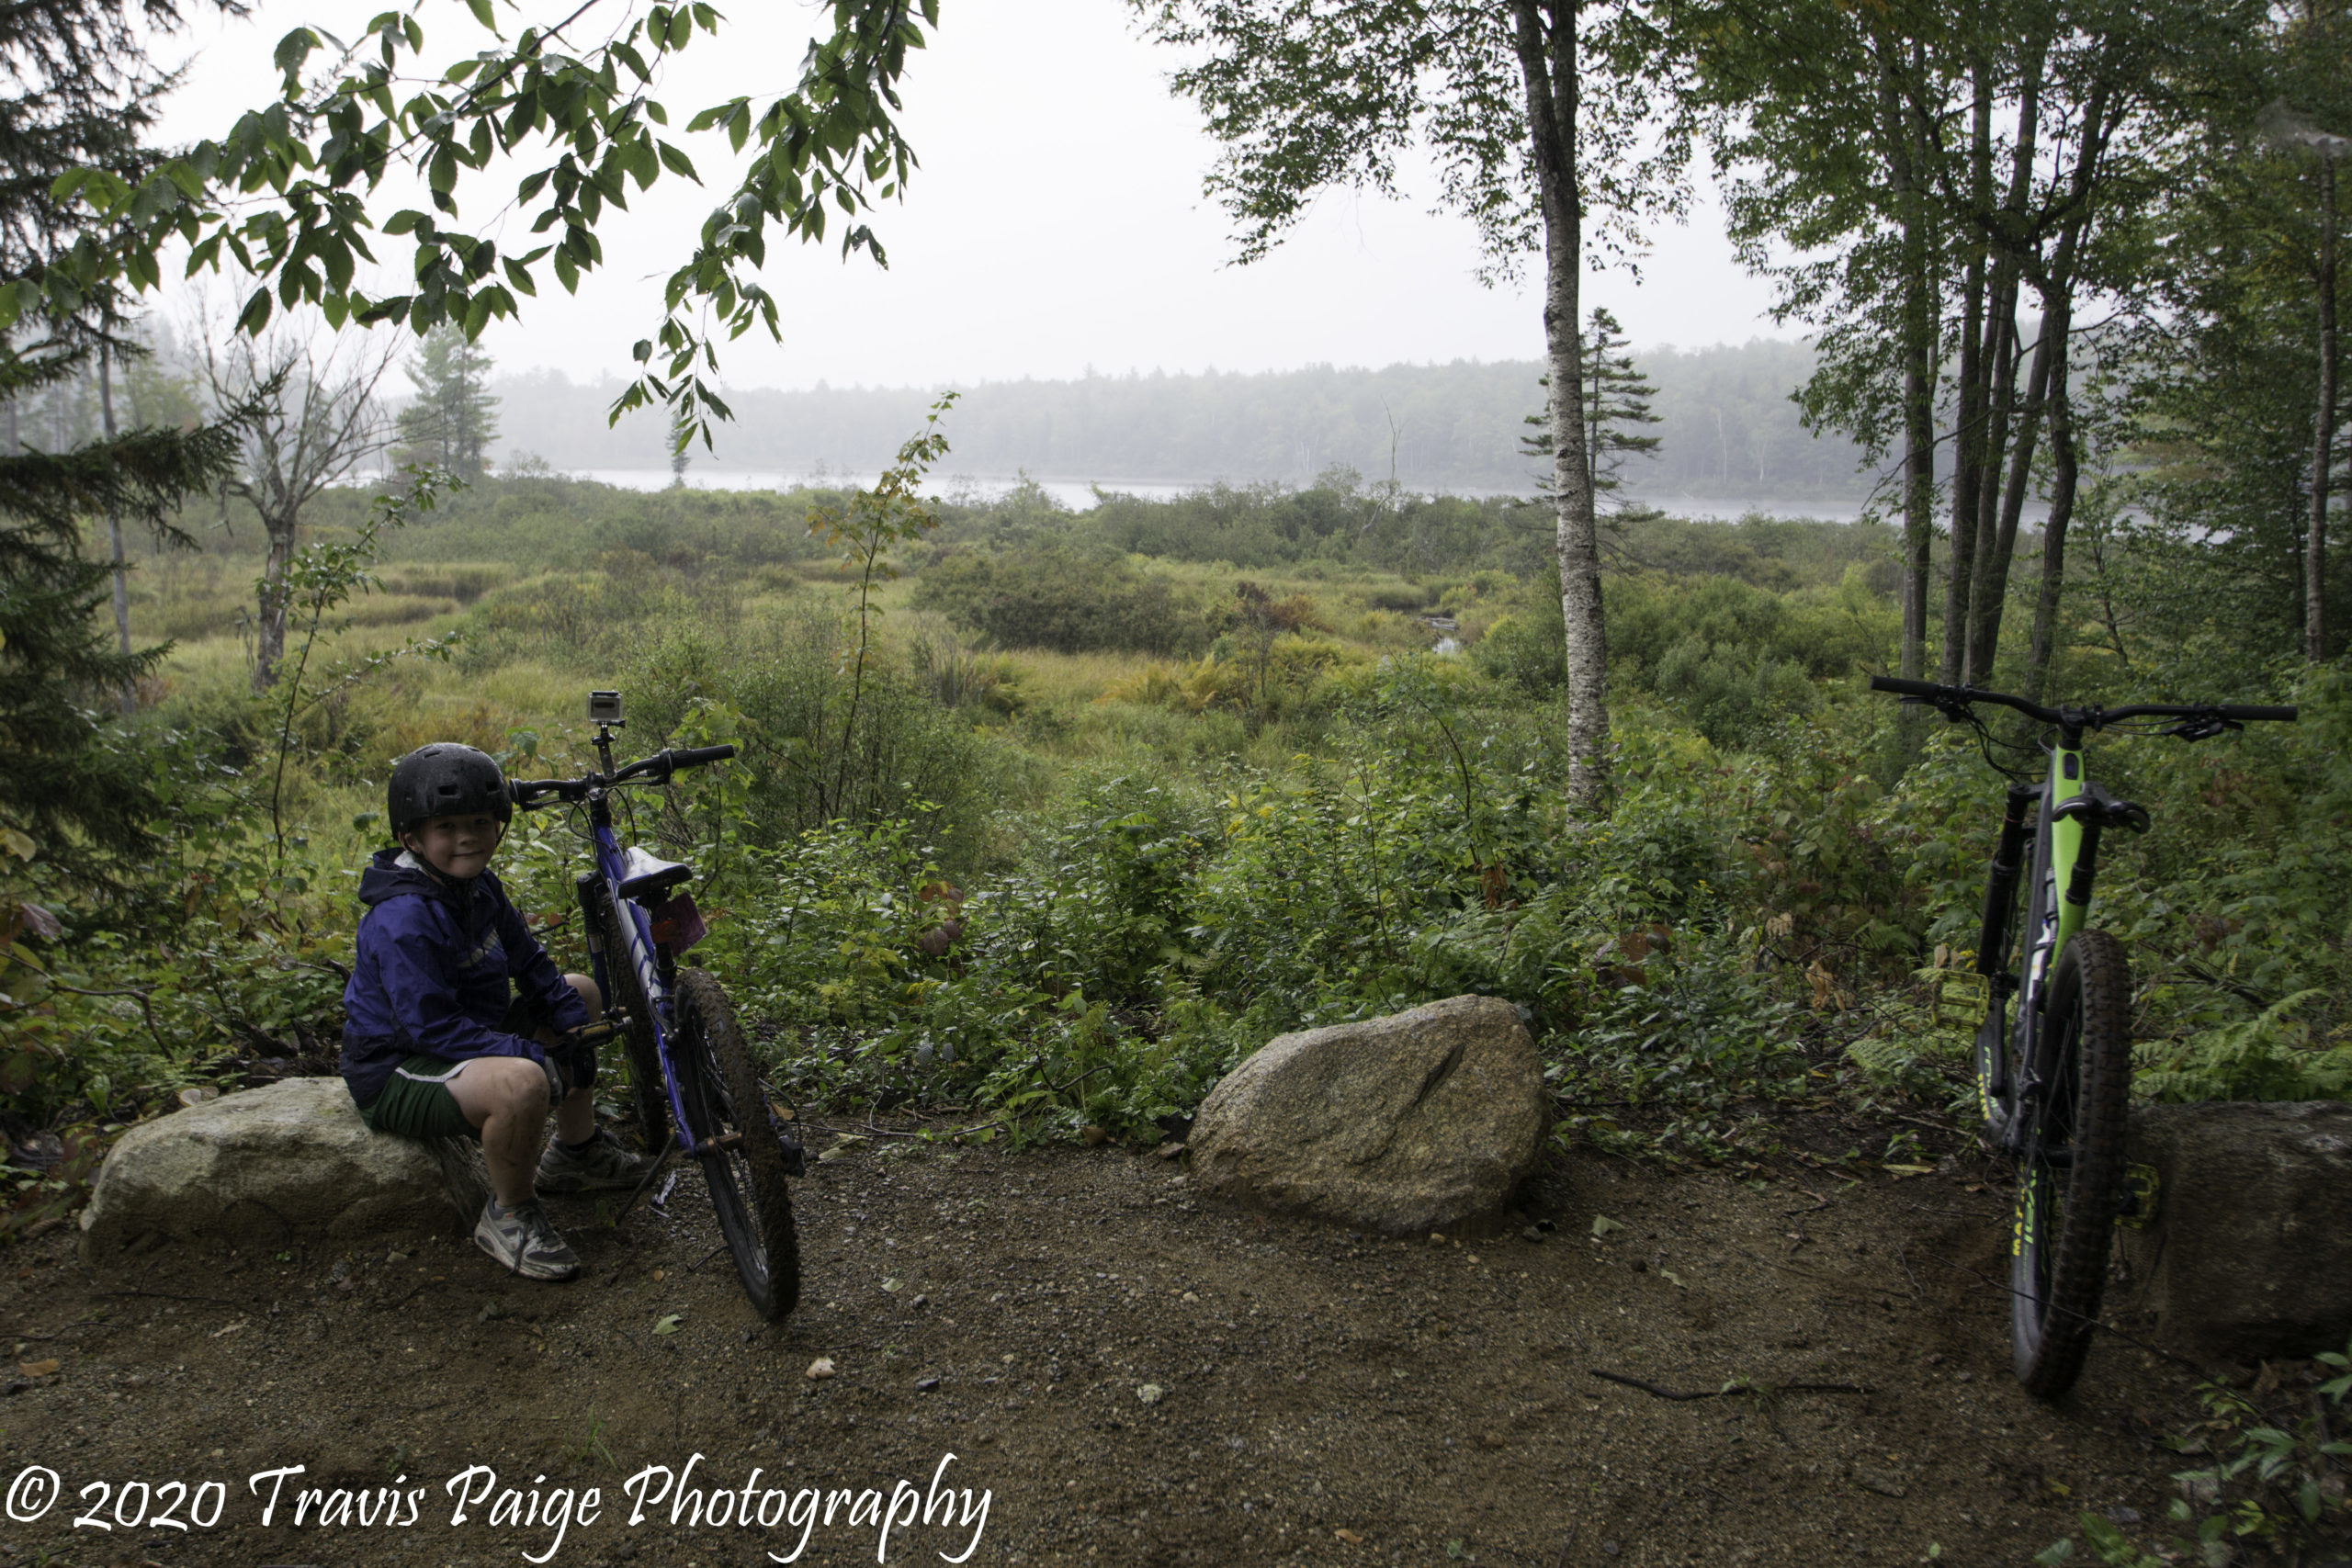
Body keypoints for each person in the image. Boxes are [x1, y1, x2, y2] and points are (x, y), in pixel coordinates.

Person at [339, 743, 652, 1280]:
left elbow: (528, 959)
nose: (467, 837)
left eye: (480, 822)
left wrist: (569, 1025)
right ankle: (508, 1213)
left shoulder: (477, 887)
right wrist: (533, 1054)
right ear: (411, 838)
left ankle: (574, 1155)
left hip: (464, 1033)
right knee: (523, 1082)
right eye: (447, 827)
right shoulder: (403, 919)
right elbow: (430, 1027)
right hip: (400, 1065)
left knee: (579, 994)